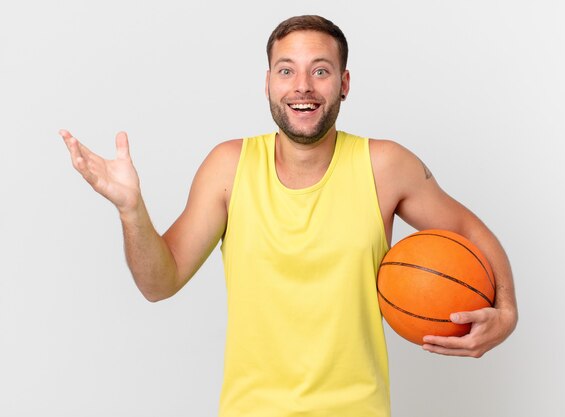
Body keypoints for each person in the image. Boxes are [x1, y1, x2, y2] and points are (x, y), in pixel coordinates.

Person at [59, 15, 517, 417]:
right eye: (287, 70)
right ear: (268, 83)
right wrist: (131, 211)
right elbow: (159, 283)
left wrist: (507, 311)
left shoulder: (385, 166)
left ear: (344, 83)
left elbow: (467, 230)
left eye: (320, 70)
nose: (303, 86)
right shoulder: (228, 166)